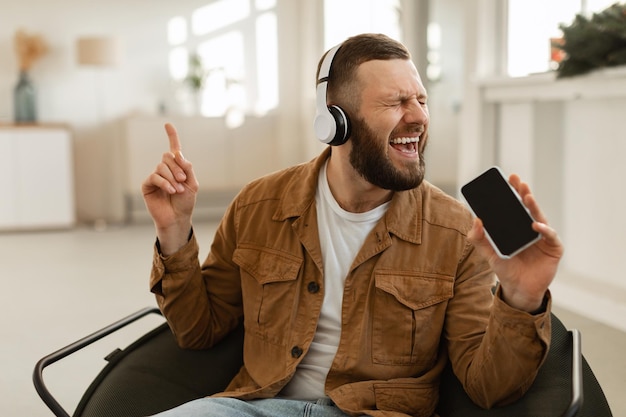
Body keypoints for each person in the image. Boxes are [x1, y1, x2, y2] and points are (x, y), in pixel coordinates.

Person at [141, 33, 563, 417]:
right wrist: (173, 231)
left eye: (421, 100)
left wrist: (521, 297)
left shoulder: (455, 232)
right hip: (257, 407)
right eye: (397, 102)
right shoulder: (258, 205)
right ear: (334, 121)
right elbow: (199, 331)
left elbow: (489, 387)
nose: (418, 117)